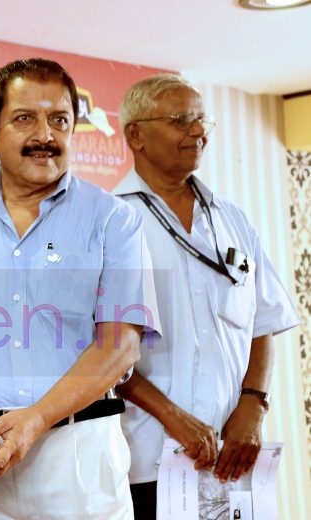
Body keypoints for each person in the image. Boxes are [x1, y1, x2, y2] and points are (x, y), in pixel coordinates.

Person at [0, 58, 159, 519]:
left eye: (59, 120)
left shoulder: (113, 218)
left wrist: (35, 420)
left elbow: (121, 345)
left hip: (78, 454)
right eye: (24, 118)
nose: (44, 135)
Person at [113, 74, 300, 519]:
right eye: (181, 120)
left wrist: (253, 406)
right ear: (135, 134)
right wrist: (174, 418)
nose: (197, 132)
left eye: (202, 120)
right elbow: (102, 348)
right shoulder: (110, 220)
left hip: (235, 453)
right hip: (151, 460)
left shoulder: (231, 217)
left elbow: (263, 321)